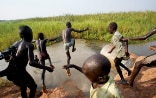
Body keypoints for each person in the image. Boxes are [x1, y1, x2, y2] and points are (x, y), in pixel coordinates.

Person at [0, 25, 53, 98]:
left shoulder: (16, 43)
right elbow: (31, 63)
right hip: (19, 72)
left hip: (10, 71)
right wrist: (47, 68)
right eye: (30, 34)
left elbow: (11, 57)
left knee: (23, 86)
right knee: (33, 87)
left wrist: (35, 60)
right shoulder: (29, 45)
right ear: (26, 35)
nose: (31, 35)